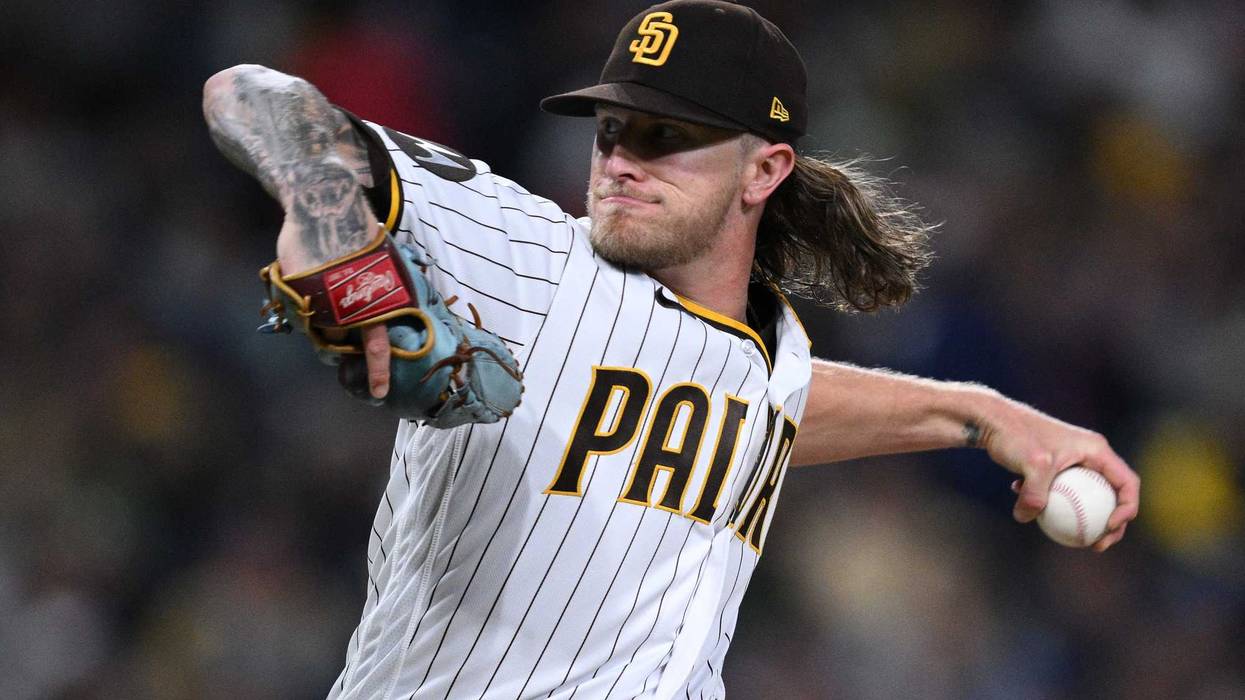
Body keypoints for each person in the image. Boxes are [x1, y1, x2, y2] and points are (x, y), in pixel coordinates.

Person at [202, 1, 1139, 697]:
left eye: (665, 137)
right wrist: (332, 225)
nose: (620, 159)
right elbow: (255, 97)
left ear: (764, 168)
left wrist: (977, 414)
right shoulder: (530, 254)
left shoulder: (768, 352)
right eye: (611, 131)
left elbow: (763, 408)